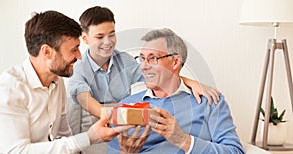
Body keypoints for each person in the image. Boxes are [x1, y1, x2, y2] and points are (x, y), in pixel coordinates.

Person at [0, 10, 130, 154]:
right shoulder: (9, 87)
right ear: (47, 51)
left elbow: (65, 140)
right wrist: (89, 137)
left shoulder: (58, 84)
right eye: (73, 49)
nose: (80, 56)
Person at [104, 28, 245, 154]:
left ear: (175, 61)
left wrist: (183, 140)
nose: (143, 65)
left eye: (152, 58)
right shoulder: (127, 108)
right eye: (141, 58)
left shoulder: (208, 100)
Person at [68, 6, 220, 134]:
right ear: (85, 38)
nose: (107, 42)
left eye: (112, 34)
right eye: (99, 37)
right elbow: (99, 111)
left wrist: (191, 83)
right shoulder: (77, 69)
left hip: (124, 124)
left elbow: (157, 76)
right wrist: (146, 116)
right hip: (96, 129)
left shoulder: (124, 60)